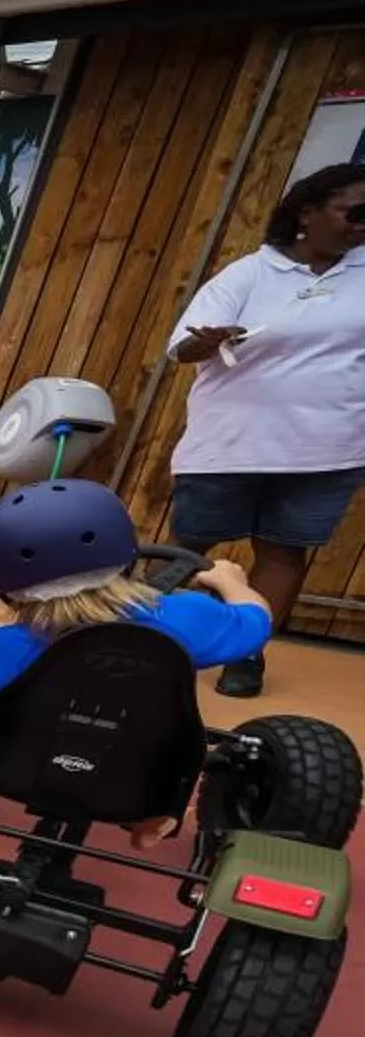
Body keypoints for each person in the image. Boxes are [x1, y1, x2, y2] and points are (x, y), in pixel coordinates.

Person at [0, 479, 272, 843]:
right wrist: (231, 582)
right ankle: (151, 820)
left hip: (21, 768)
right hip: (137, 783)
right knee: (166, 725)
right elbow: (257, 623)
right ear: (125, 556)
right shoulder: (187, 616)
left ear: (5, 590)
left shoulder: (7, 644)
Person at [162, 160, 365, 697]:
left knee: (283, 550)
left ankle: (245, 654)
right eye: (355, 212)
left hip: (327, 446)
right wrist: (207, 341)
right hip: (231, 443)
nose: (361, 225)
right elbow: (181, 349)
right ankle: (155, 644)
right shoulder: (250, 273)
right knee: (189, 546)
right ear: (307, 211)